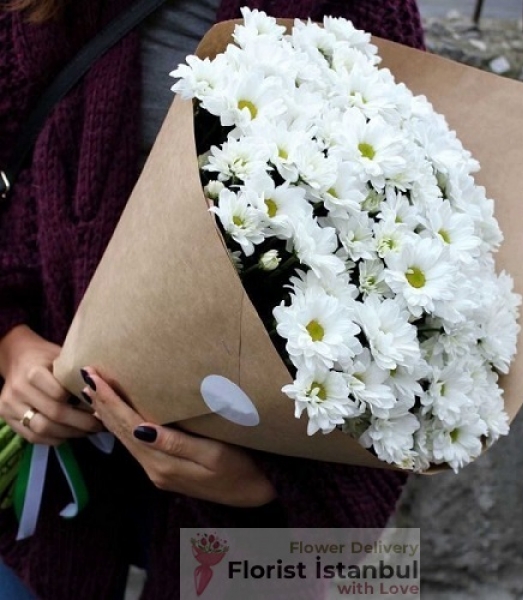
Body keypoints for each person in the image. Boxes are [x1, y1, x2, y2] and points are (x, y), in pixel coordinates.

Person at [0, 0, 425, 598]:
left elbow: (404, 263)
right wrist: (11, 347)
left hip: (240, 533)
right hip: (43, 495)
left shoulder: (354, 9)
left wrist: (272, 481)